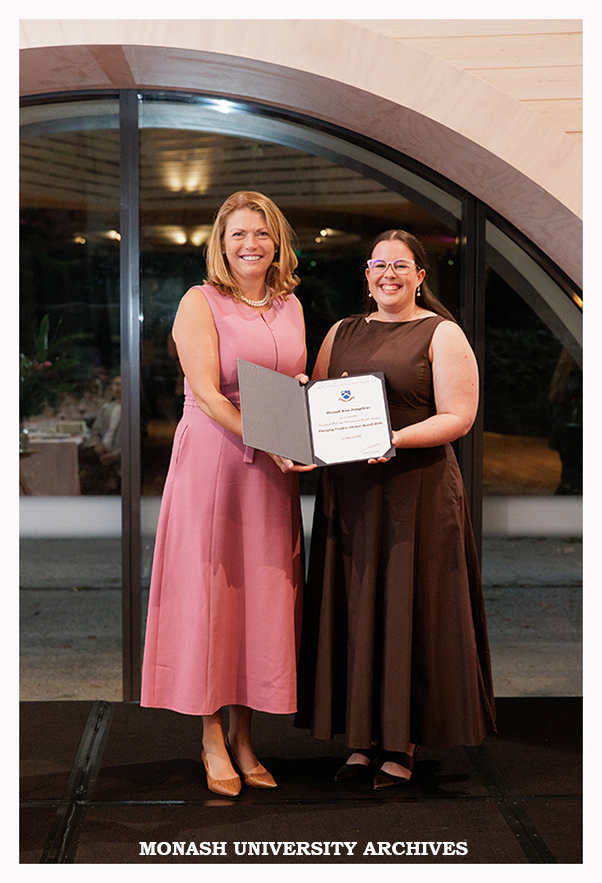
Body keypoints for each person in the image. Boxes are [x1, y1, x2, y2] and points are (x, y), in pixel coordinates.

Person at [295, 230, 496, 789]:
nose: (389, 274)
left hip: (417, 493)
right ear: (366, 274)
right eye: (378, 264)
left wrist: (394, 439)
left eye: (400, 266)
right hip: (353, 493)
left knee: (410, 609)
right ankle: (361, 739)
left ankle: (401, 745)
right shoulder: (341, 331)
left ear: (420, 276)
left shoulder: (442, 333)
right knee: (357, 608)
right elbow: (320, 404)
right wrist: (297, 411)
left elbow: (459, 416)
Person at [141, 192, 314, 797]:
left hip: (270, 471)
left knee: (263, 598)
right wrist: (273, 439)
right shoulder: (199, 302)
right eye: (238, 233)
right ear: (221, 241)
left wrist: (303, 403)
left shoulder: (291, 304)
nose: (250, 244)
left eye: (261, 234)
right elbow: (212, 397)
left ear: (277, 243)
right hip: (215, 462)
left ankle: (246, 736)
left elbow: (296, 377)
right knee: (212, 596)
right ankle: (212, 736)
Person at [78, 375, 121, 494]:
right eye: (116, 384)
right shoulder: (107, 408)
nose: (118, 388)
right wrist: (97, 445)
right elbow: (95, 431)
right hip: (100, 449)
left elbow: (135, 441)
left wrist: (114, 455)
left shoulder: (133, 411)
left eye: (122, 385)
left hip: (117, 453)